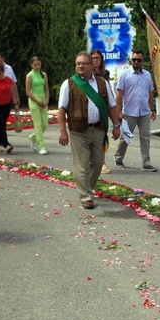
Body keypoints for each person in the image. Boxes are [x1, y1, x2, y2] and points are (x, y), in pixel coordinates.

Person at [57, 51, 121, 210]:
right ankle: (86, 196)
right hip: (78, 131)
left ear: (91, 65)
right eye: (78, 63)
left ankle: (87, 186)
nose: (80, 66)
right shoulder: (69, 84)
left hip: (98, 130)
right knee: (82, 164)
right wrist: (62, 132)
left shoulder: (102, 83)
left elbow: (112, 105)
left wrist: (116, 126)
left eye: (83, 63)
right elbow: (61, 109)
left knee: (98, 163)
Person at [113, 50, 157, 171]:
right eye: (134, 59)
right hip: (129, 111)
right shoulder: (124, 75)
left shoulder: (147, 75)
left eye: (139, 60)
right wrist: (119, 111)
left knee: (145, 137)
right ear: (131, 60)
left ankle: (146, 162)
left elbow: (150, 92)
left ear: (143, 61)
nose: (136, 62)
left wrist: (152, 109)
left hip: (144, 111)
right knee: (126, 136)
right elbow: (119, 94)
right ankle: (118, 158)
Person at [25, 56, 50, 155]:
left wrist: (47, 100)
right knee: (38, 125)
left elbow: (46, 89)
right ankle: (41, 147)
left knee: (45, 124)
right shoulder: (29, 76)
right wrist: (37, 101)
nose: (37, 66)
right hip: (34, 101)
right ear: (31, 65)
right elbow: (27, 91)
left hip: (43, 100)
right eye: (35, 65)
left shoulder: (43, 74)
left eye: (39, 64)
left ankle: (33, 137)